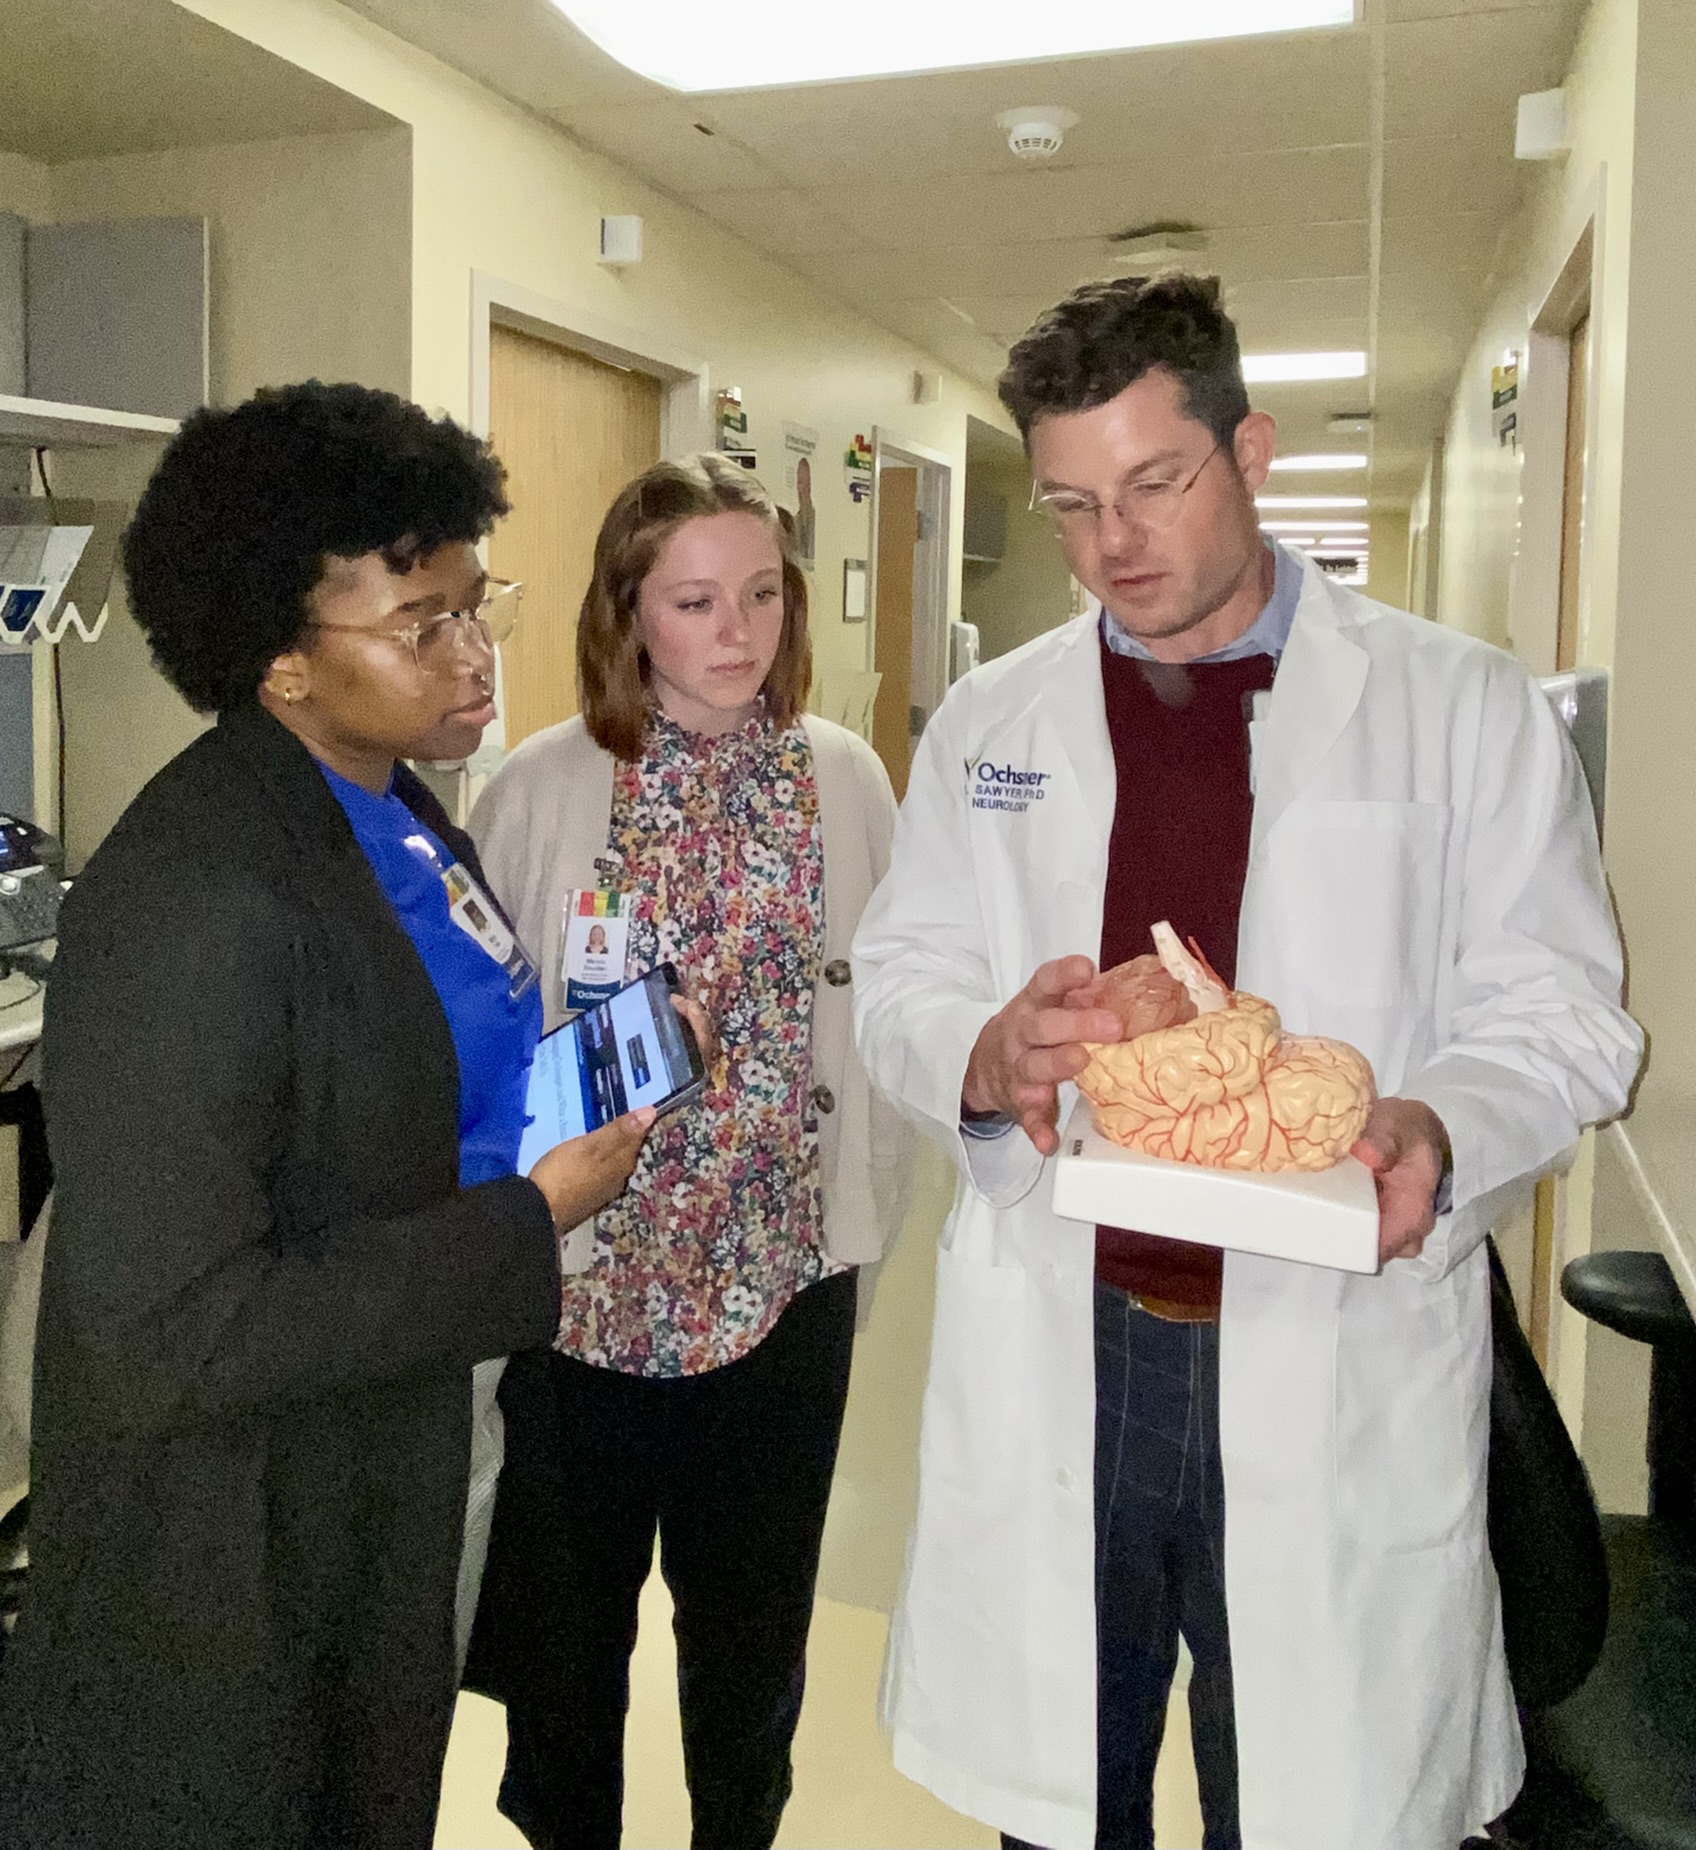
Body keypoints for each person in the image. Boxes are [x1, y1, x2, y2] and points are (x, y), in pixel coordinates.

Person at [850, 275, 1644, 1850]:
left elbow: (1567, 1016)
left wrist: (1440, 1122)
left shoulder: (1459, 707)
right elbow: (900, 974)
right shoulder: (993, 722)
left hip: (1332, 1336)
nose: (1112, 544)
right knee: (1068, 1804)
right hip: (1077, 1336)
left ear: (1252, 448)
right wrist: (982, 1050)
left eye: (1157, 483)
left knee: (1305, 1801)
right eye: (1074, 504)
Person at [0, 382, 655, 1850]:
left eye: (476, 604)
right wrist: (530, 1218)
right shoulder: (196, 897)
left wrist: (577, 1071)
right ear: (284, 664)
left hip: (401, 1431)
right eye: (423, 620)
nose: (476, 650)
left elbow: (417, 1054)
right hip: (240, 1538)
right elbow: (176, 1331)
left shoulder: (407, 811)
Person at [464, 453, 913, 1850]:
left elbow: (887, 1006)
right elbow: (478, 1064)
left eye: (764, 594)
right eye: (697, 600)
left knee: (751, 1645)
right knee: (567, 1652)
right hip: (585, 1300)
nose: (741, 631)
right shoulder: (538, 787)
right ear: (626, 615)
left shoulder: (843, 779)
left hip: (780, 1288)